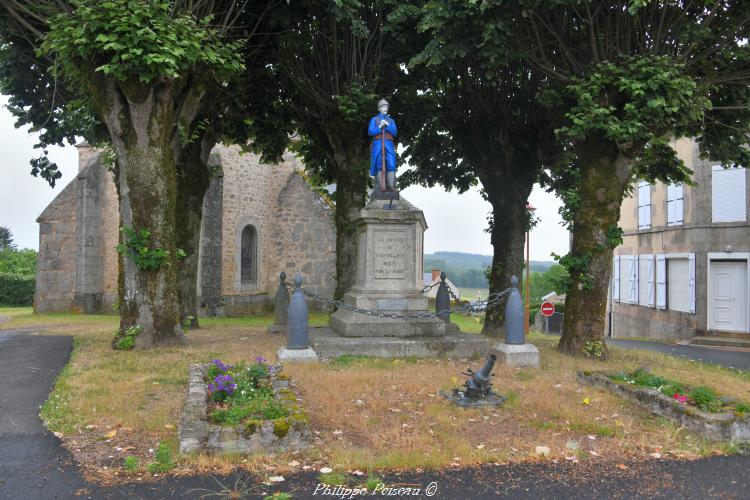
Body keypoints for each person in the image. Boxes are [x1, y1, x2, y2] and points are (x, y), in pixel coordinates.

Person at [368, 98, 398, 192]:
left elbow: (395, 132)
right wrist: (380, 126)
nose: (385, 108)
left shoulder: (391, 120)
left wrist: (387, 124)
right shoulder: (374, 119)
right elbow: (370, 131)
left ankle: (391, 186)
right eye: (383, 107)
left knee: (392, 164)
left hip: (388, 144)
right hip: (378, 144)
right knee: (379, 164)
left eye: (386, 107)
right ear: (379, 108)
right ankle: (382, 186)